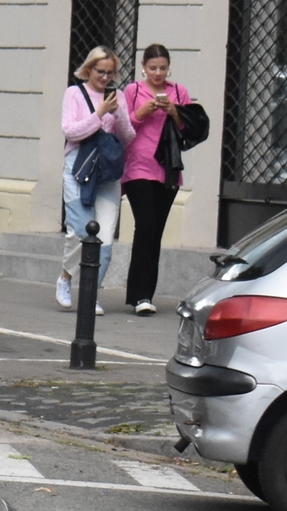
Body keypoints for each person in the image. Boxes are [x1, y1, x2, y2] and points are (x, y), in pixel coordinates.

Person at [119, 42, 196, 317]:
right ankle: (138, 293)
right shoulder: (133, 91)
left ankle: (146, 294)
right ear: (143, 67)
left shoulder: (179, 91)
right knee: (146, 225)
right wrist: (142, 112)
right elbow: (122, 125)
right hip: (138, 166)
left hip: (167, 168)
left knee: (156, 231)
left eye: (163, 68)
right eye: (153, 68)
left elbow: (190, 126)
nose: (158, 73)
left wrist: (174, 111)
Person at [56, 45, 128, 313]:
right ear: (89, 69)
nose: (106, 78)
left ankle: (90, 294)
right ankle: (65, 278)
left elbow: (128, 136)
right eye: (101, 72)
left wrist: (117, 113)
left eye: (111, 73)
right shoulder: (74, 93)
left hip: (107, 171)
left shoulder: (117, 96)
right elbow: (71, 131)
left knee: (106, 239)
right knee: (82, 230)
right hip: (79, 167)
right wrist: (99, 114)